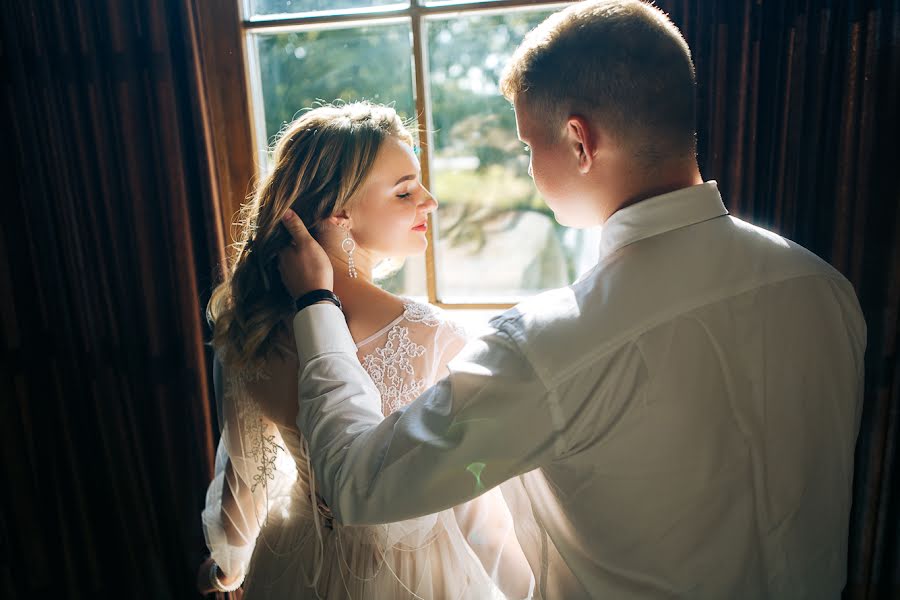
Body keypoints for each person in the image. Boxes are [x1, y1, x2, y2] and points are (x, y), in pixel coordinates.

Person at [277, 1, 867, 598]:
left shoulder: (549, 345)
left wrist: (316, 303)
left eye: (529, 147)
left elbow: (354, 483)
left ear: (579, 141)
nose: (529, 170)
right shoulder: (823, 288)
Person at [197, 102, 533, 598]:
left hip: (296, 559)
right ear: (339, 211)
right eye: (404, 192)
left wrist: (226, 570)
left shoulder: (251, 330)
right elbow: (480, 512)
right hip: (417, 573)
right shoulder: (431, 335)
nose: (431, 201)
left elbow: (245, 485)